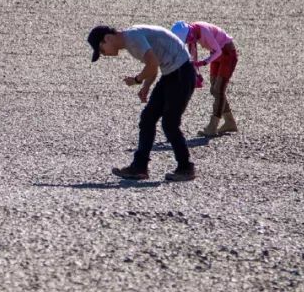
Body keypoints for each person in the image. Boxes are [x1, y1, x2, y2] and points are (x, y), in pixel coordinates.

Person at [87, 24, 197, 182]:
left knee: (170, 123)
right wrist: (146, 86)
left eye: (102, 50)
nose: (104, 54)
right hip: (172, 74)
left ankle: (186, 167)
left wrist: (137, 80)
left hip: (181, 74)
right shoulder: (131, 38)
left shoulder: (132, 39)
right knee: (148, 119)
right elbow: (154, 63)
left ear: (108, 38)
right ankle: (139, 167)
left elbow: (152, 65)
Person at [172, 20, 239, 136]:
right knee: (214, 89)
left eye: (187, 39)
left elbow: (218, 51)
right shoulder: (192, 32)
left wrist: (204, 62)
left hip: (227, 53)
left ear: (189, 33)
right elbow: (192, 58)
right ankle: (229, 122)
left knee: (218, 90)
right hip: (216, 55)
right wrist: (195, 73)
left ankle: (213, 127)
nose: (188, 41)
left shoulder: (203, 30)